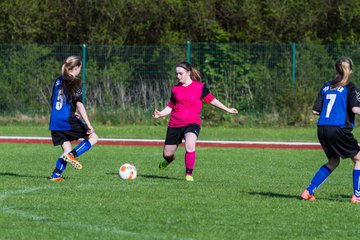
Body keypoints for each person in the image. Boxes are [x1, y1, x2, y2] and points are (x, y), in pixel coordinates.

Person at [153, 61, 238, 182]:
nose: (178, 76)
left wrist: (227, 109)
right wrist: (161, 113)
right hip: (175, 124)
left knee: (190, 145)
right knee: (167, 154)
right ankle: (169, 160)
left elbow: (213, 100)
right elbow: (170, 106)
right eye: (177, 74)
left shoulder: (200, 87)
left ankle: (189, 174)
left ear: (188, 72)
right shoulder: (175, 89)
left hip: (192, 122)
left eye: (180, 73)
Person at [301, 57, 360, 203]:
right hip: (338, 128)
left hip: (322, 129)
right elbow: (355, 109)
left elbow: (315, 111)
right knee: (359, 158)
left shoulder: (326, 86)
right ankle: (357, 196)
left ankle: (308, 191)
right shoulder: (350, 87)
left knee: (333, 161)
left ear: (336, 70)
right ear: (350, 71)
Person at [49, 56, 98, 181]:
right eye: (80, 68)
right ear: (76, 68)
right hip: (66, 120)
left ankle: (56, 175)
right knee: (93, 137)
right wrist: (88, 124)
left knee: (66, 149)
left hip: (55, 121)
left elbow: (53, 101)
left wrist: (71, 111)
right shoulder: (76, 82)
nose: (80, 70)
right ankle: (72, 155)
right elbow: (79, 104)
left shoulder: (58, 80)